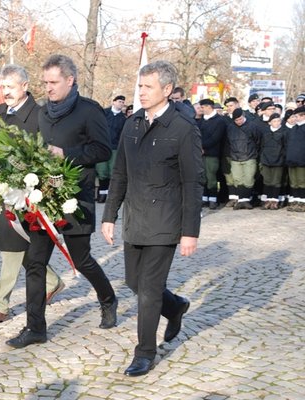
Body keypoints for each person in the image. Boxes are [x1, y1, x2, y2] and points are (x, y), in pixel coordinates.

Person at [5, 55, 117, 349]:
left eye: (53, 82)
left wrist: (65, 153)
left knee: (81, 259)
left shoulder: (90, 111)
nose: (48, 88)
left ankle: (108, 298)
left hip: (75, 198)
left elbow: (103, 150)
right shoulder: (43, 112)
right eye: (45, 83)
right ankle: (35, 328)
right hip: (44, 198)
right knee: (35, 261)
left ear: (70, 80)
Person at [101, 60, 203, 377]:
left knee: (147, 290)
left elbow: (193, 182)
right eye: (139, 86)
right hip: (135, 218)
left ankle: (145, 353)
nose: (141, 92)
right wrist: (109, 215)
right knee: (133, 281)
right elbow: (120, 173)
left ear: (167, 90)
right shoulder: (132, 124)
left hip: (165, 221)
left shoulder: (184, 129)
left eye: (147, 87)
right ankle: (175, 306)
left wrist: (190, 232)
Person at [0, 64, 64, 325]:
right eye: (3, 87)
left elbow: (45, 154)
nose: (6, 92)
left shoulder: (39, 114)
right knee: (13, 243)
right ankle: (51, 281)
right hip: (2, 189)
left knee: (12, 246)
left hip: (27, 193)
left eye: (10, 87)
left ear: (25, 86)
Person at [227, 108, 261, 209]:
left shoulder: (252, 126)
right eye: (236, 120)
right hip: (235, 157)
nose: (238, 122)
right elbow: (228, 142)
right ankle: (242, 200)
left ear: (244, 116)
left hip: (249, 156)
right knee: (237, 179)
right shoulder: (230, 127)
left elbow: (258, 141)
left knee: (248, 178)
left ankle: (246, 199)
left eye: (240, 119)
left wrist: (254, 152)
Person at [96, 94, 126, 203]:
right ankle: (101, 193)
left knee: (112, 171)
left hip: (114, 147)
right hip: (102, 146)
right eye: (119, 101)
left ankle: (108, 194)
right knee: (102, 171)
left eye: (122, 102)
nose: (121, 104)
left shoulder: (123, 118)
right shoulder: (104, 113)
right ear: (113, 102)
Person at [198, 98, 226, 209]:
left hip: (212, 153)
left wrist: (203, 146)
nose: (201, 110)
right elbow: (197, 135)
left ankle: (213, 199)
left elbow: (216, 137)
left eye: (203, 107)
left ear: (209, 107)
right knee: (203, 177)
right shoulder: (201, 121)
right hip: (201, 153)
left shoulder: (219, 121)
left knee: (211, 177)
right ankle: (205, 198)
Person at [259, 113, 287, 209]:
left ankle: (274, 201)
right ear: (270, 122)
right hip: (266, 160)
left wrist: (282, 157)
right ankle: (268, 200)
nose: (277, 123)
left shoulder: (284, 131)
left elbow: (285, 147)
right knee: (267, 181)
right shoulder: (265, 131)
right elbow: (261, 145)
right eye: (274, 121)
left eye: (279, 121)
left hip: (278, 160)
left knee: (276, 181)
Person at [285, 106, 305, 211]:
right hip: (292, 160)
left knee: (302, 182)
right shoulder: (294, 128)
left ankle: (303, 202)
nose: (295, 118)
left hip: (302, 161)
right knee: (294, 182)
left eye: (296, 116)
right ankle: (296, 201)